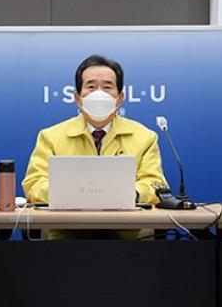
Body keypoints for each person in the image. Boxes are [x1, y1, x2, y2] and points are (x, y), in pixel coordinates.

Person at [22, 55, 169, 206]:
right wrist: (71, 192)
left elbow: (155, 184)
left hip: (124, 220)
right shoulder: (50, 137)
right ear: (78, 98)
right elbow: (34, 184)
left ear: (120, 98)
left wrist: (131, 194)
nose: (99, 94)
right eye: (91, 86)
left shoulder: (145, 137)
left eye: (107, 87)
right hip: (68, 220)